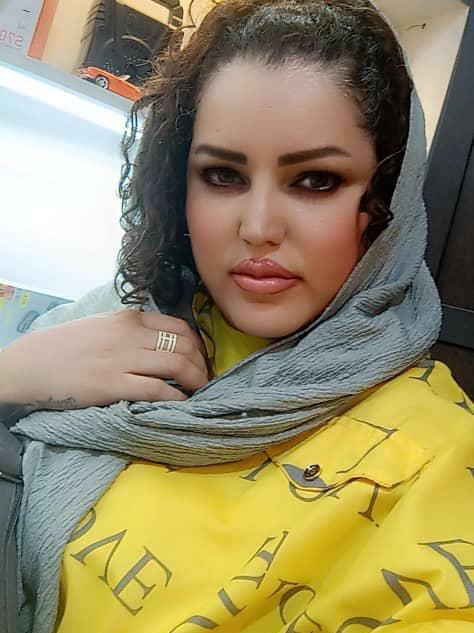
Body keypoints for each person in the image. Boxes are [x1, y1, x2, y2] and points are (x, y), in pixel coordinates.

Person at [1, 0, 473, 631]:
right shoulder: (109, 322)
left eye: (315, 180)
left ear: (385, 200)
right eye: (223, 175)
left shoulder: (439, 458)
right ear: (179, 182)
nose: (257, 227)